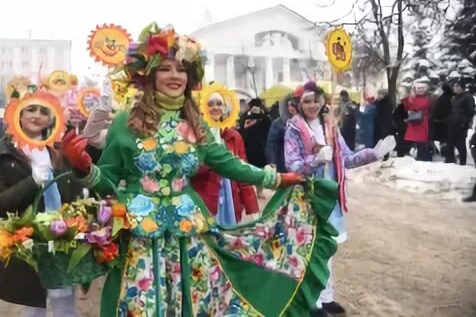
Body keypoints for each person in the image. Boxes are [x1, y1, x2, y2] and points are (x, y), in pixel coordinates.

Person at [61, 23, 339, 316]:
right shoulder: (124, 123)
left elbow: (230, 164)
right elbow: (108, 184)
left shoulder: (196, 123)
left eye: (181, 69)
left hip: (188, 234)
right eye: (166, 68)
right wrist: (85, 168)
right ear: (150, 74)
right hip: (139, 238)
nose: (175, 76)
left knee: (198, 303)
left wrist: (276, 177)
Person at [284, 81, 395, 317]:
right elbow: (292, 165)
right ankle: (311, 301)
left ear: (323, 101)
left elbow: (347, 158)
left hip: (330, 197)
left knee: (328, 248)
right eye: (307, 101)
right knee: (310, 250)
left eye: (316, 100)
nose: (312, 105)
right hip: (308, 198)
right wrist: (315, 160)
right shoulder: (293, 129)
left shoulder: (330, 128)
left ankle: (326, 297)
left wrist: (373, 154)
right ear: (299, 104)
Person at [0, 101, 83, 316]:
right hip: (28, 241)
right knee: (33, 304)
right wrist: (32, 182)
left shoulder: (56, 150)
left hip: (62, 238)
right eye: (31, 109)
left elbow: (74, 187)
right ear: (18, 114)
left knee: (65, 302)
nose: (37, 115)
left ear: (51, 117)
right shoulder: (2, 152)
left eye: (44, 111)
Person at [192, 87, 259, 225]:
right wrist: (213, 163)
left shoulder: (234, 136)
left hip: (230, 198)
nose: (215, 108)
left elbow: (243, 171)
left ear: (225, 107)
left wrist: (253, 210)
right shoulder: (196, 135)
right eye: (210, 104)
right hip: (205, 199)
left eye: (219, 104)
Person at [239, 98, 271, 199]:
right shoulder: (247, 118)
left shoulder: (264, 118)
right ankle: (249, 190)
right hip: (250, 146)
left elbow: (268, 127)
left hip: (260, 147)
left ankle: (259, 190)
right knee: (249, 168)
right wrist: (249, 114)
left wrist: (262, 113)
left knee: (260, 169)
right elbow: (242, 126)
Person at [446, 81, 475, 165]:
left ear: (460, 87)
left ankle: (462, 161)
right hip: (452, 122)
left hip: (461, 124)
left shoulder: (468, 97)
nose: (454, 88)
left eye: (456, 87)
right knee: (450, 142)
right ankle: (450, 160)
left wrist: (465, 122)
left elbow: (471, 111)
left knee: (461, 143)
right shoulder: (455, 97)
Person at [266, 94, 298, 172]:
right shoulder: (278, 123)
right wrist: (273, 166)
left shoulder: (303, 121)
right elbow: (271, 147)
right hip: (283, 165)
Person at [402, 82, 432, 161]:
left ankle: (422, 156)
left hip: (420, 121)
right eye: (419, 89)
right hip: (418, 121)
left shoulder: (423, 99)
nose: (420, 90)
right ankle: (420, 156)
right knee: (419, 140)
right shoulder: (412, 99)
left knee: (421, 141)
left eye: (422, 88)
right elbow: (406, 106)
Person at [430, 83, 453, 148]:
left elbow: (437, 109)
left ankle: (446, 153)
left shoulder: (442, 98)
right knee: (444, 139)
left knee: (443, 138)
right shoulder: (450, 97)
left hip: (441, 121)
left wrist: (432, 118)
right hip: (443, 120)